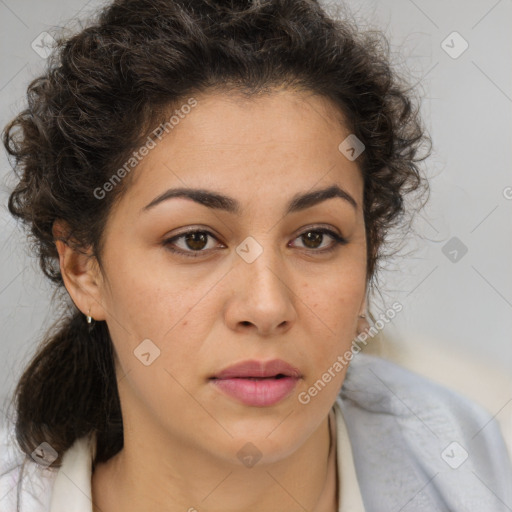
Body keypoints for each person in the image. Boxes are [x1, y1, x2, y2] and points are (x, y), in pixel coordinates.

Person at [1, 0, 511, 511]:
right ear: (83, 268)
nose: (267, 306)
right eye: (195, 240)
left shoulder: (469, 458)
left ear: (369, 251)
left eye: (315, 238)